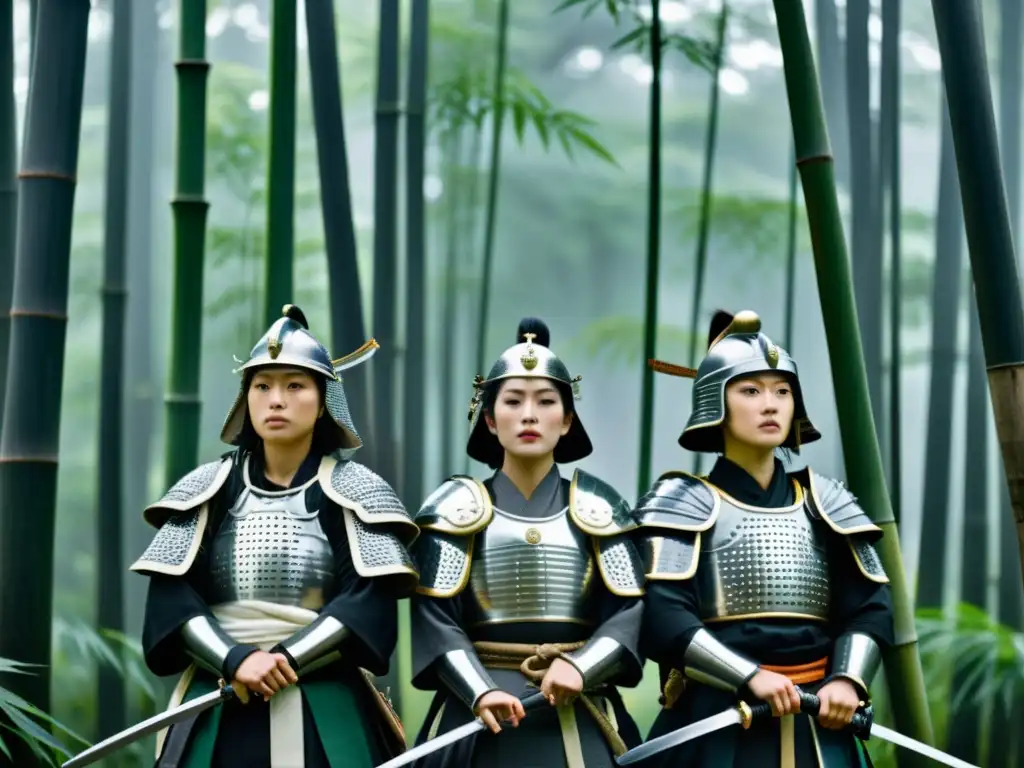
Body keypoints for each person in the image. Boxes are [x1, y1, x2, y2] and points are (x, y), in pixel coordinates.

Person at [130, 305, 419, 767]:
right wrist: (235, 659)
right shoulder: (204, 487)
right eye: (262, 385)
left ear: (324, 400)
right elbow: (172, 598)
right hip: (221, 694)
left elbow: (368, 600)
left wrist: (284, 658)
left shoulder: (358, 490)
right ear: (246, 398)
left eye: (294, 385)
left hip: (323, 702)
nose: (276, 399)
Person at [635, 309, 893, 767]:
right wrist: (749, 676)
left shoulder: (827, 502)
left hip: (821, 717)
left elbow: (870, 606)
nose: (770, 404)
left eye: (782, 391)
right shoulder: (680, 503)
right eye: (750, 390)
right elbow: (663, 616)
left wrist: (847, 681)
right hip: (718, 717)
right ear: (717, 400)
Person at [407, 317, 646, 768]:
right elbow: (434, 617)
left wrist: (581, 666)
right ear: (491, 421)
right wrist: (480, 690)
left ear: (568, 419)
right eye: (513, 402)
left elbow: (628, 612)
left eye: (545, 401)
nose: (530, 415)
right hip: (474, 711)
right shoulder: (454, 507)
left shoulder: (600, 507)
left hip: (579, 704)